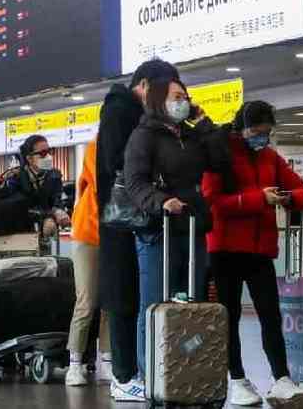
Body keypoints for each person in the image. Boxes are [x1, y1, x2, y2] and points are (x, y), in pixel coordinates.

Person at [202, 101, 303, 408]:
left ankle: (281, 378)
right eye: (256, 132)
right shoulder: (220, 154)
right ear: (241, 127)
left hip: (261, 250)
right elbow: (212, 202)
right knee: (229, 317)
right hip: (225, 249)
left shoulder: (270, 157)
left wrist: (289, 198)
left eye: (267, 133)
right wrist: (257, 199)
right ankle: (236, 378)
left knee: (270, 315)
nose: (261, 138)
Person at [123, 77, 232, 379]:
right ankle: (151, 374)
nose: (183, 101)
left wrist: (204, 123)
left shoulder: (192, 135)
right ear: (158, 99)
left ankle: (185, 368)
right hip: (159, 231)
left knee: (191, 304)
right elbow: (135, 183)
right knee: (156, 302)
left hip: (193, 226)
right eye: (177, 96)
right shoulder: (143, 136)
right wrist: (162, 201)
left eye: (185, 96)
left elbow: (222, 163)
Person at [96, 58, 180, 402]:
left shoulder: (141, 115)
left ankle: (135, 371)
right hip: (121, 219)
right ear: (143, 85)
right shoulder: (119, 110)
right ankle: (123, 374)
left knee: (137, 295)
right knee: (123, 297)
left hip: (138, 218)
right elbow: (118, 160)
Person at [65, 138, 112, 387]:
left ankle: (106, 360)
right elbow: (99, 185)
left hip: (113, 234)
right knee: (86, 301)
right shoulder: (96, 146)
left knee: (108, 301)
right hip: (86, 233)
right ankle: (75, 362)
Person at [3, 135, 70, 236]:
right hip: (19, 233)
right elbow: (19, 209)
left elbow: (57, 200)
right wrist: (48, 216)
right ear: (29, 158)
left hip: (47, 233)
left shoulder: (54, 176)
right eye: (43, 153)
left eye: (49, 151)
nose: (48, 157)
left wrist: (60, 211)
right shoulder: (15, 179)